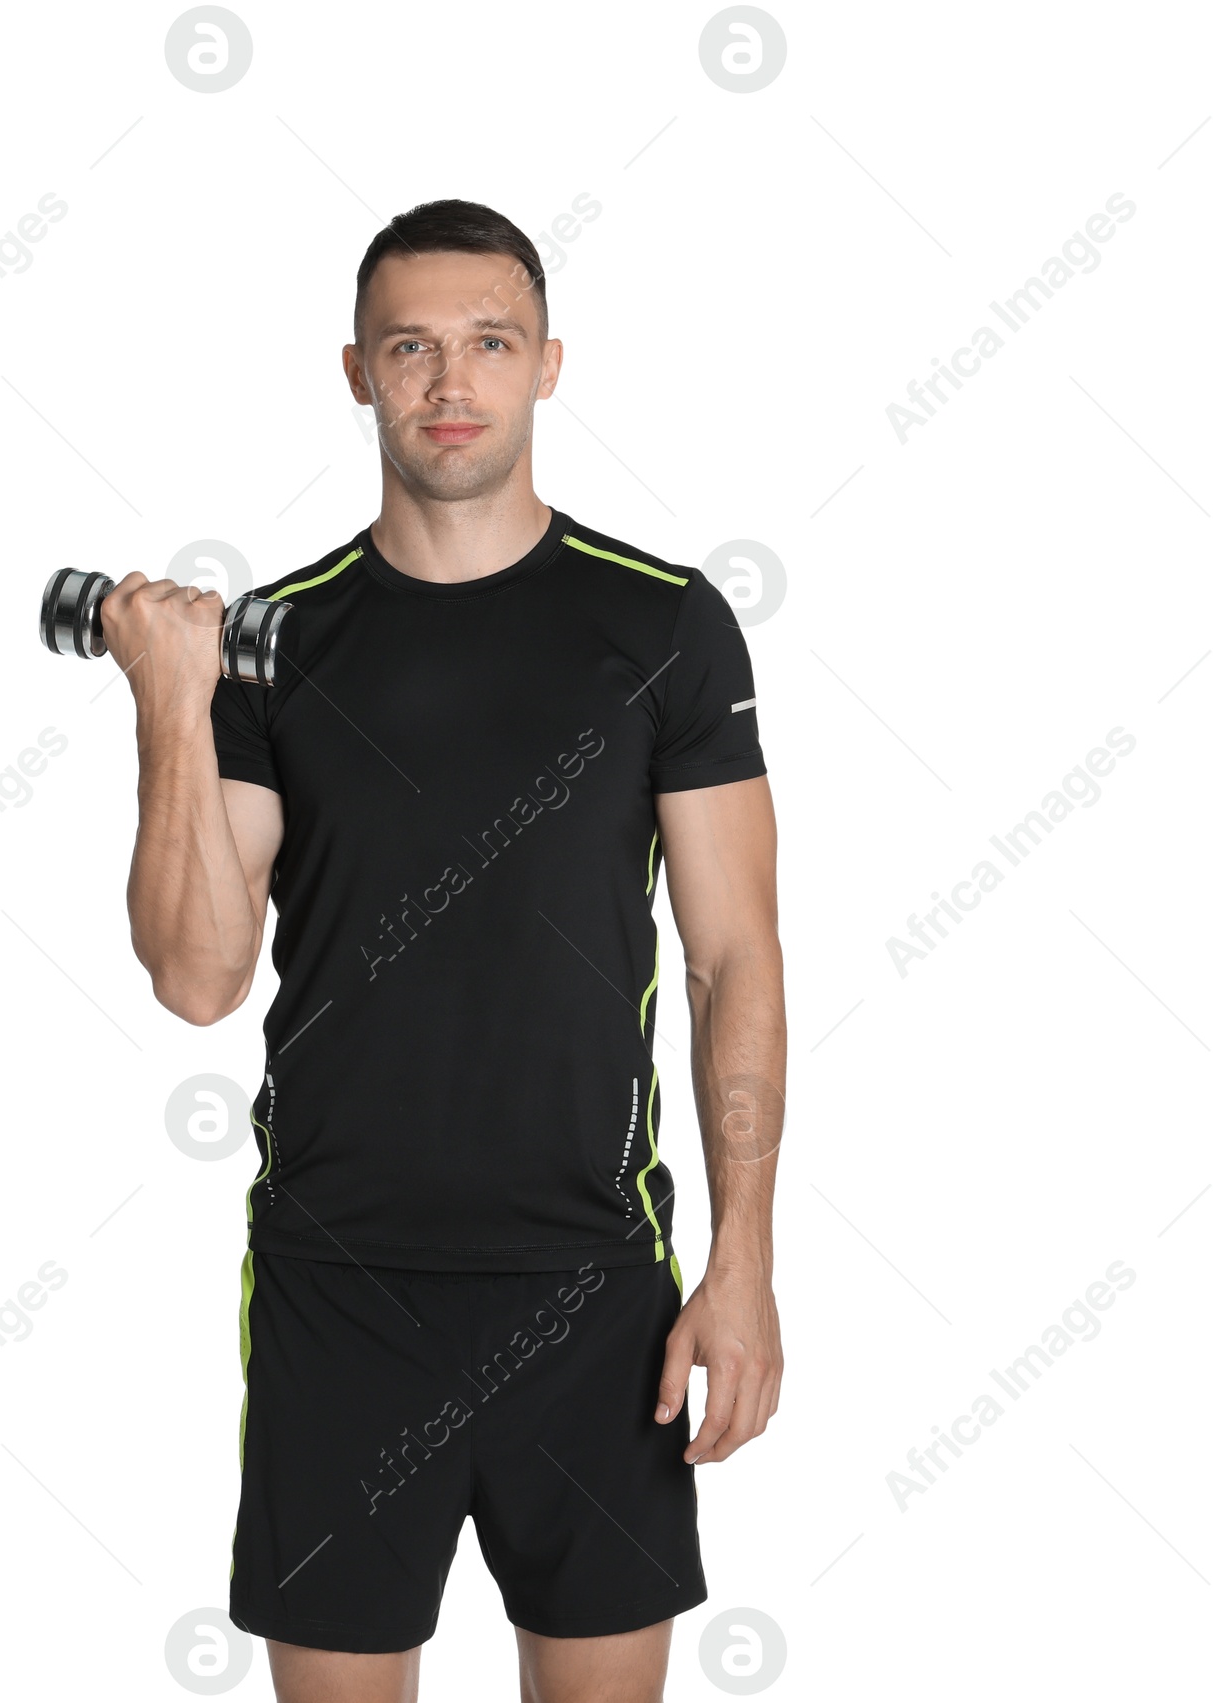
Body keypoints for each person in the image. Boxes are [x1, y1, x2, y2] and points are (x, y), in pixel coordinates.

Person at [103, 199, 785, 1703]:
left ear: (550, 365)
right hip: (343, 1291)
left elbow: (737, 959)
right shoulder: (279, 642)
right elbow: (198, 974)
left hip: (596, 1288)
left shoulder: (666, 626)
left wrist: (741, 1264)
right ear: (358, 372)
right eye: (410, 348)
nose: (449, 382)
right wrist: (170, 701)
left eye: (488, 343)